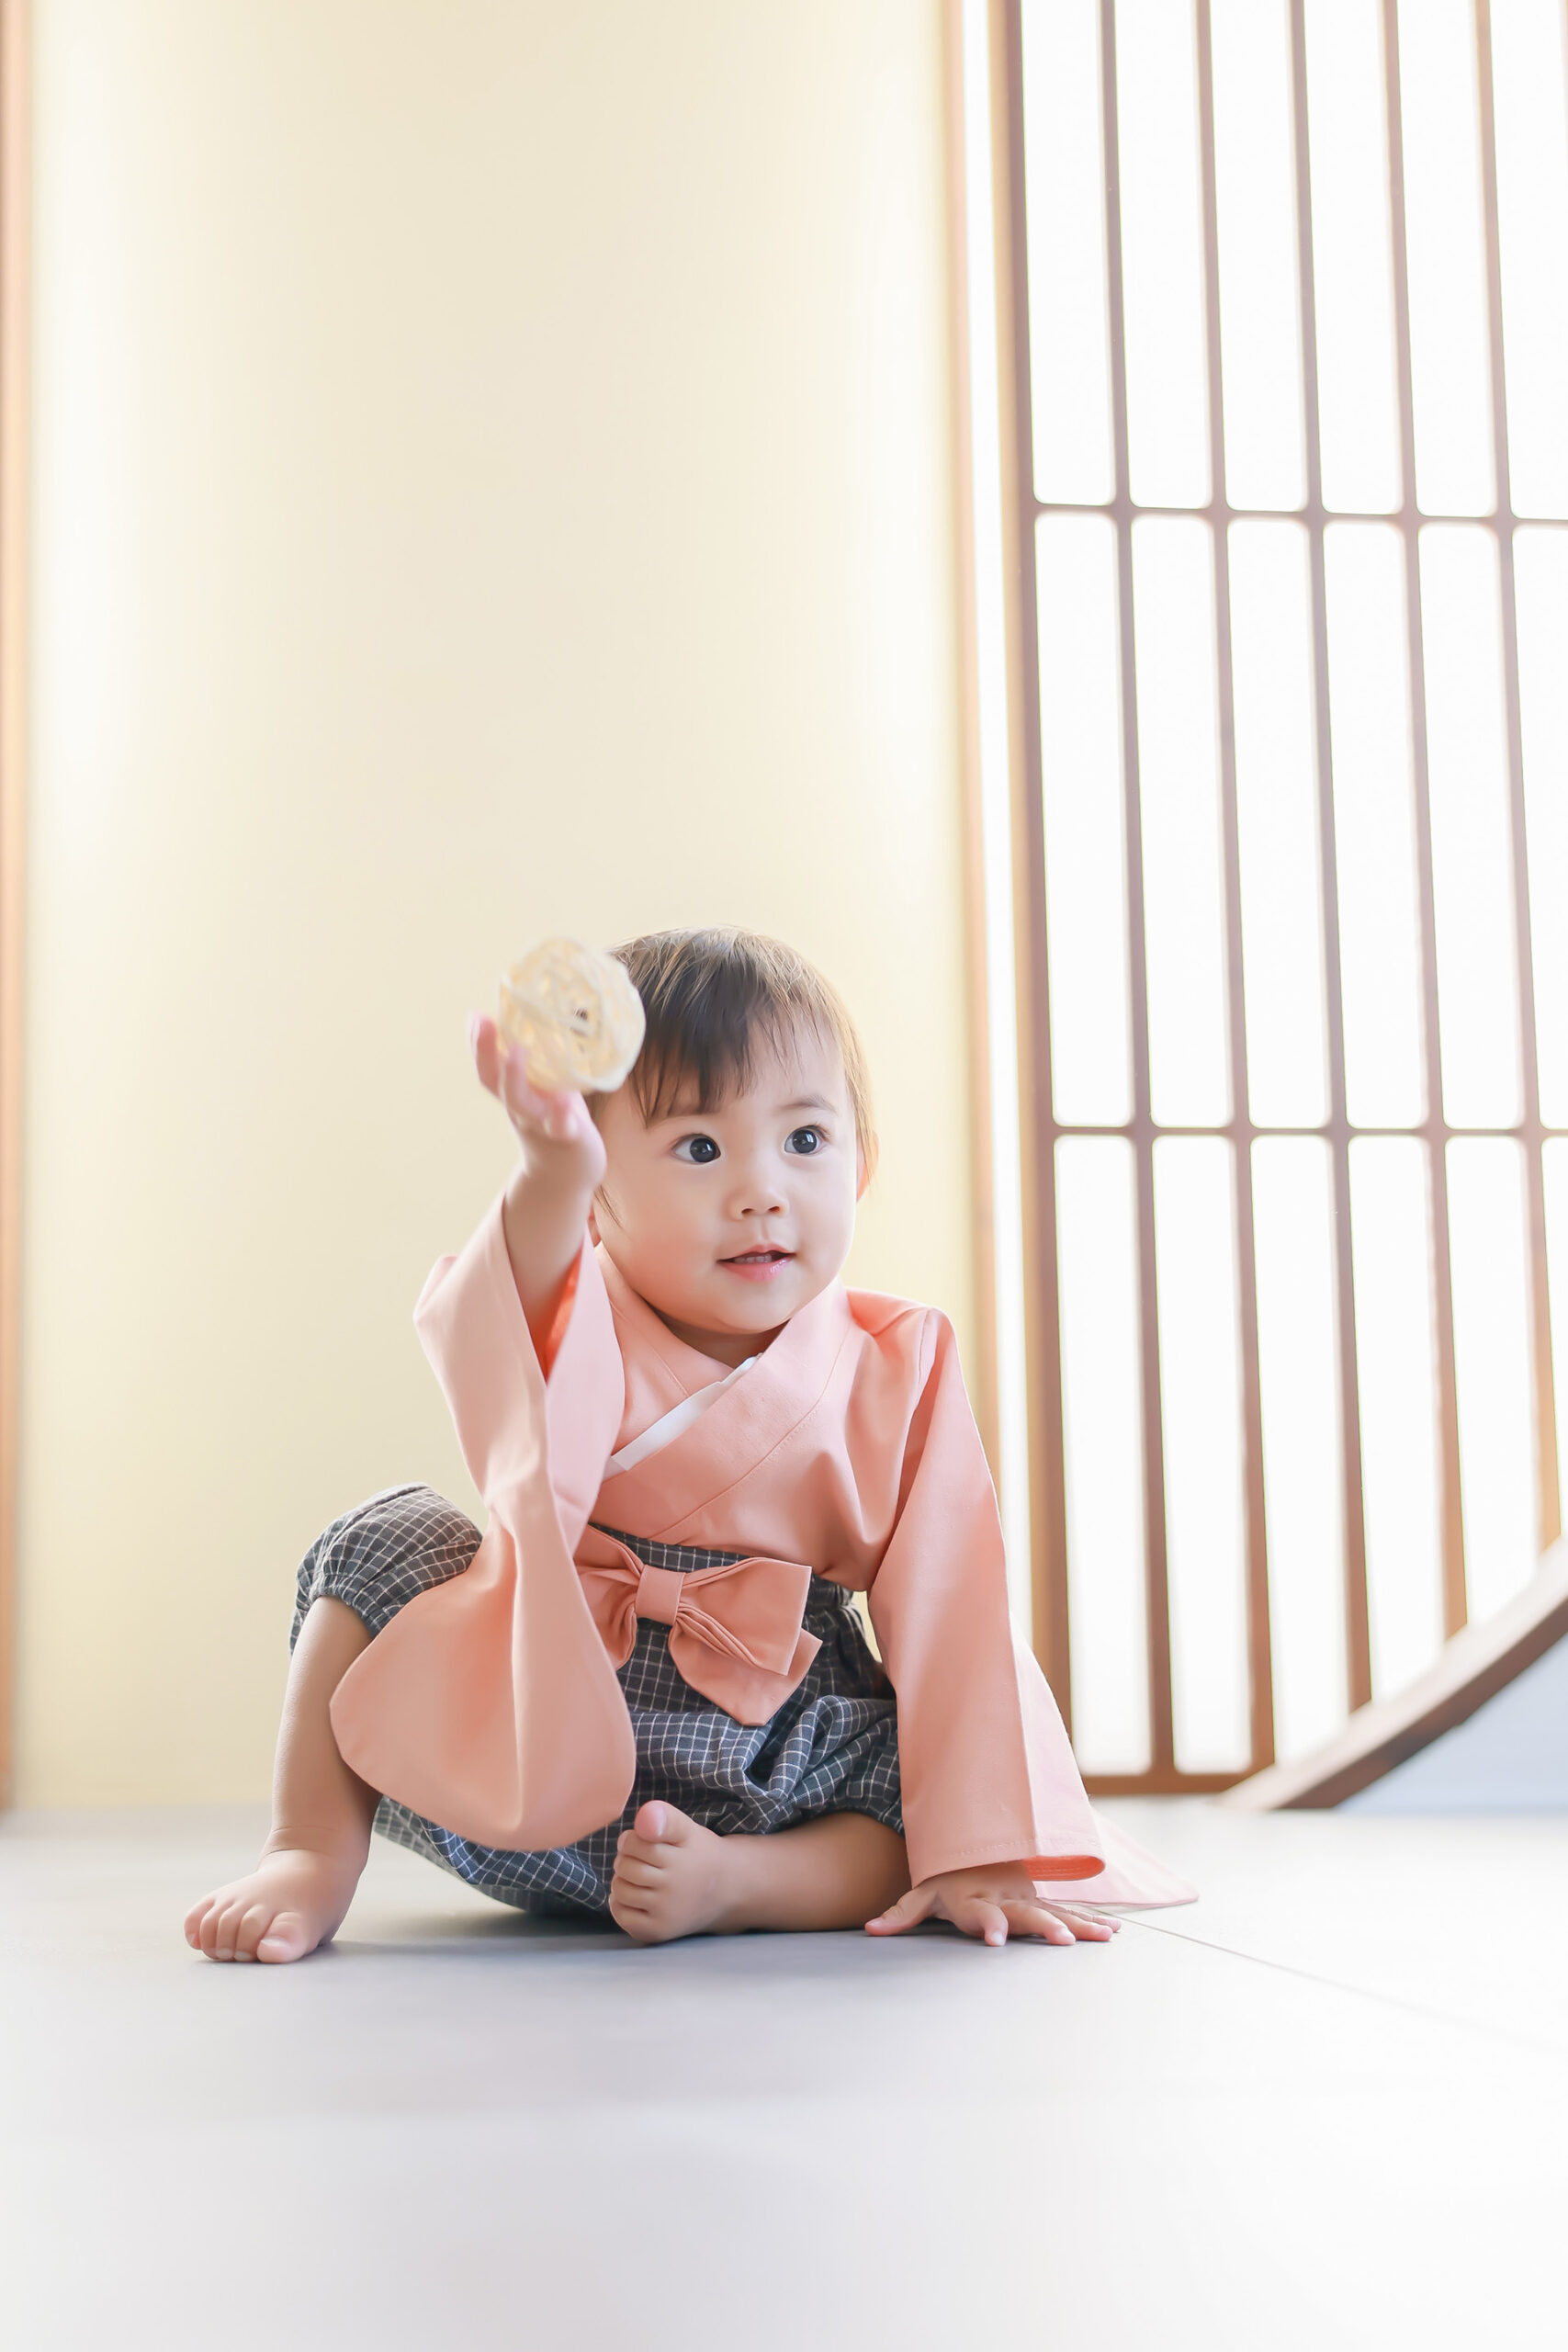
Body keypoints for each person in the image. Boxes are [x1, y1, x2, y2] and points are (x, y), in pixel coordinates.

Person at [186, 927, 1191, 1963]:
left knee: (939, 1792)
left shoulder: (899, 1363)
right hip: (544, 1709)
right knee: (378, 1543)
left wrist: (980, 1851)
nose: (762, 1190)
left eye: (806, 1140)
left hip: (768, 1756)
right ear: (601, 1192)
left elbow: (954, 1604)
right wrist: (548, 1174)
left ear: (862, 1162)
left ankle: (742, 1886)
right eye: (700, 1149)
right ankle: (306, 1849)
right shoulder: (578, 1303)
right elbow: (511, 1349)